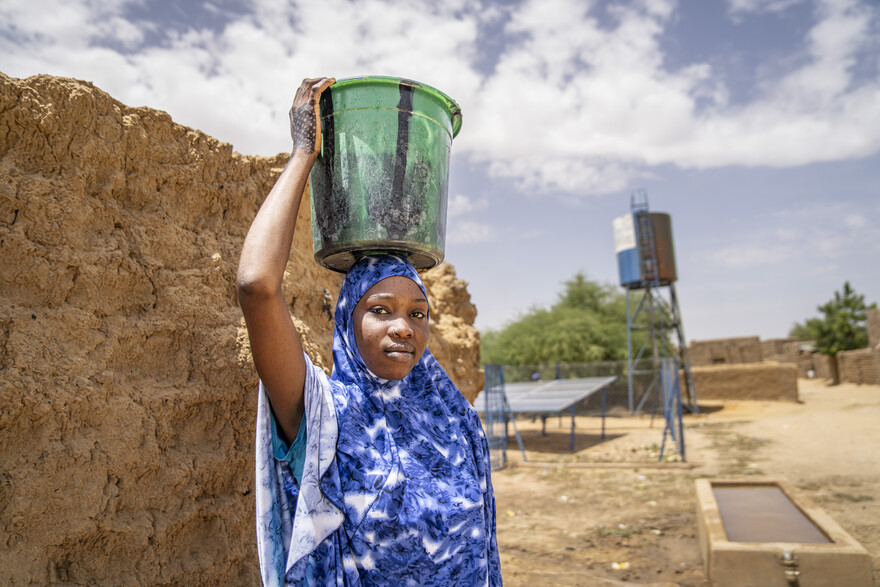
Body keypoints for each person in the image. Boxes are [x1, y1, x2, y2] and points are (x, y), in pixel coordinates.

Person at [236, 77, 502, 586]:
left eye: (418, 313)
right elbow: (256, 287)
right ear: (347, 321)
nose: (404, 327)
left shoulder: (452, 422)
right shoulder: (322, 416)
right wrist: (302, 155)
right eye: (381, 309)